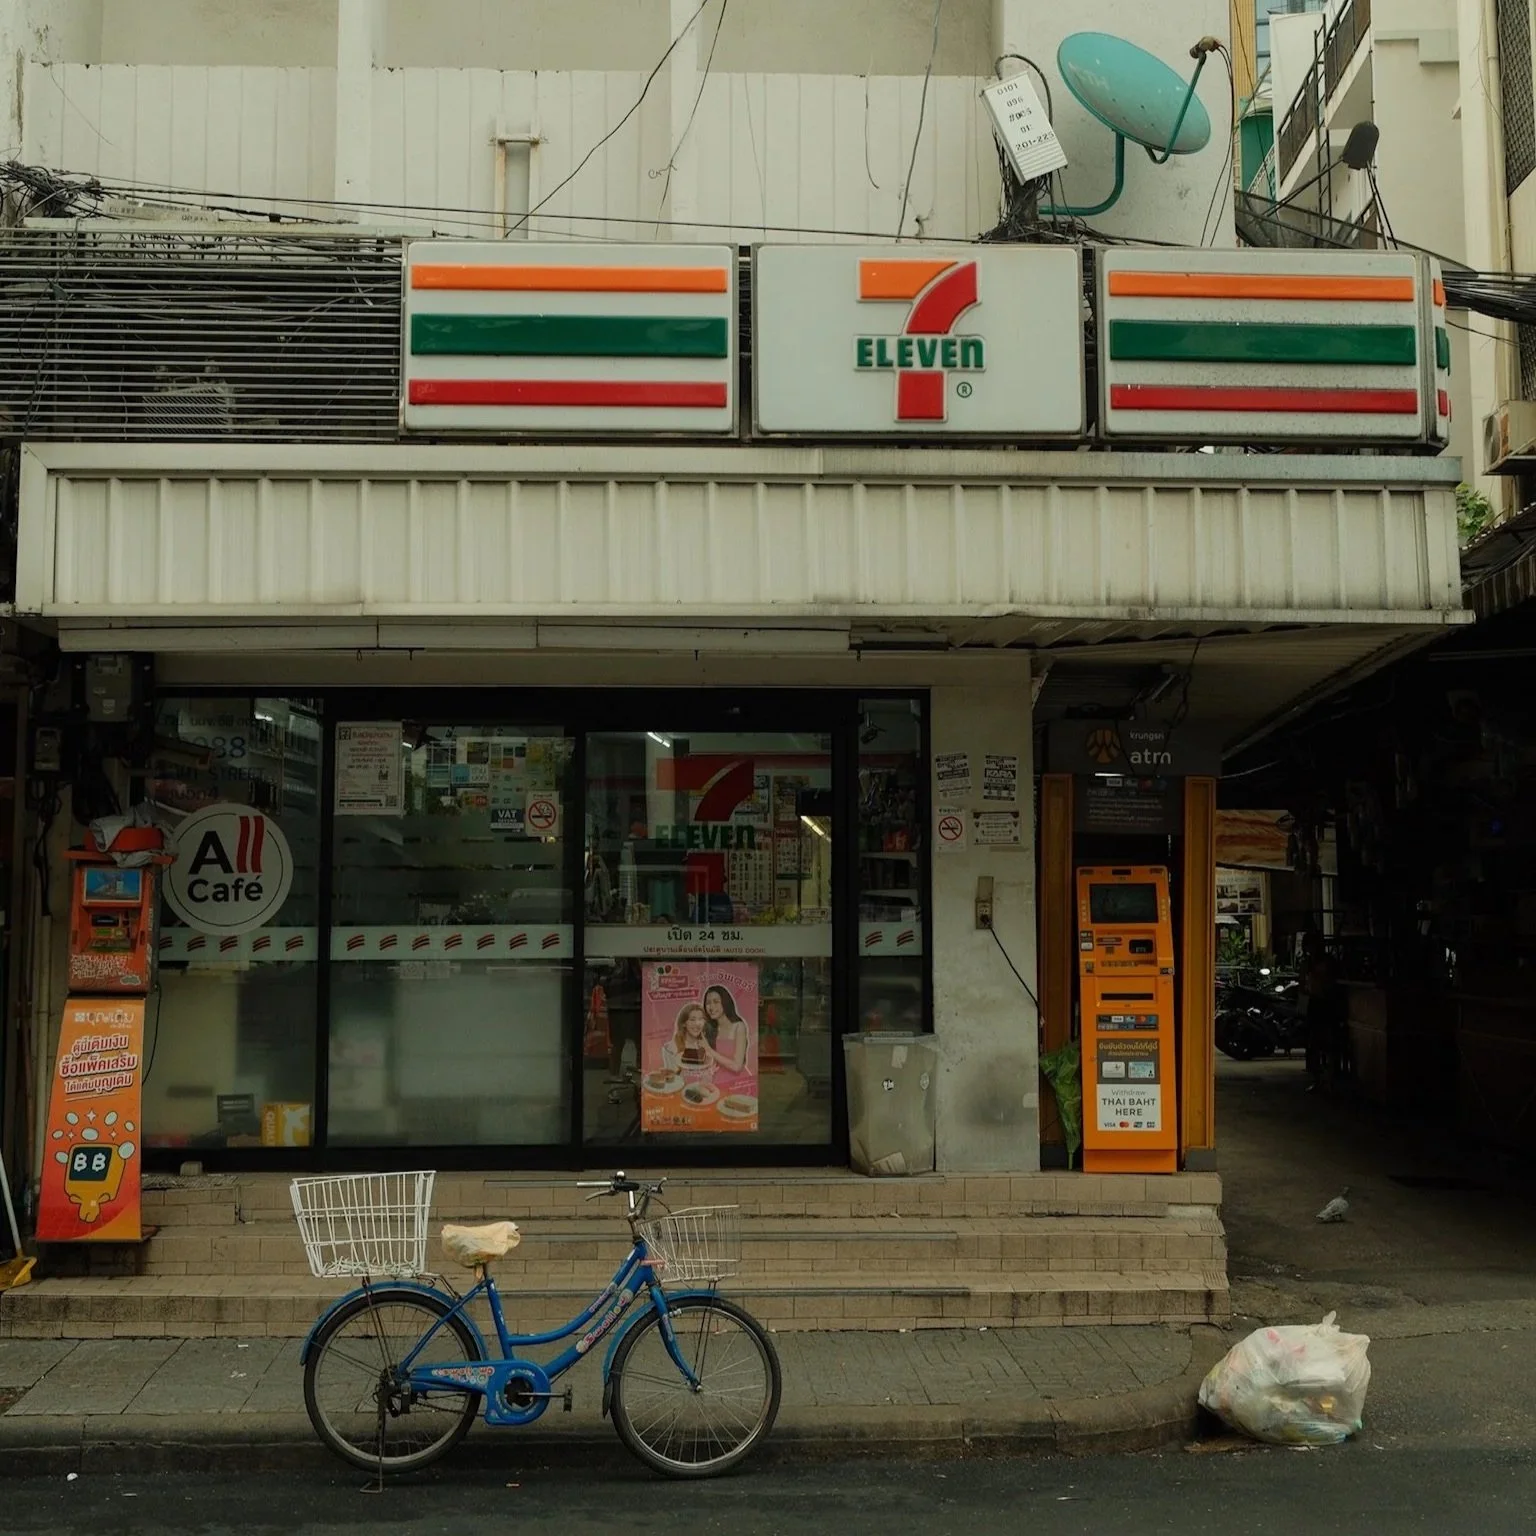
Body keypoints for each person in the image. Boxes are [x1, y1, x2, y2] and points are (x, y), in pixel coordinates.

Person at [1300, 934, 1342, 1093]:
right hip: (1315, 1003)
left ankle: (1330, 1079)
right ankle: (1319, 1079)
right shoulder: (1308, 963)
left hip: (1327, 1004)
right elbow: (1302, 985)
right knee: (1314, 1043)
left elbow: (1333, 982)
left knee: (1328, 1043)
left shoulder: (1328, 962)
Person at [703, 984, 754, 1097]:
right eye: (708, 1003)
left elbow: (737, 1066)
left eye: (716, 1002)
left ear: (725, 1002)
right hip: (717, 1081)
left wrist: (709, 1050)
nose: (711, 1007)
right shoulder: (711, 1029)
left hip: (738, 1083)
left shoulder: (738, 1026)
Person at [662, 1003, 713, 1076]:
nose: (697, 1023)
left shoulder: (707, 1045)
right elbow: (671, 1080)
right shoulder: (670, 1049)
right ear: (683, 1024)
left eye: (701, 1019)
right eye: (692, 1020)